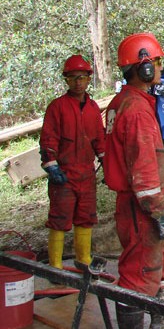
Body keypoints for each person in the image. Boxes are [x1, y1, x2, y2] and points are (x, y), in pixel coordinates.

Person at [103, 33, 164, 329]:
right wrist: (160, 212)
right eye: (157, 62)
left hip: (141, 206)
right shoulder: (136, 112)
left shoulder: (123, 102)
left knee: (162, 267)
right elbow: (145, 172)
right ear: (145, 68)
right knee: (139, 274)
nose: (160, 68)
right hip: (142, 209)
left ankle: (161, 322)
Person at [39, 55, 105, 272]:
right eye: (74, 78)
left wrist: (106, 160)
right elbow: (48, 139)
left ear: (88, 80)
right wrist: (52, 166)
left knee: (85, 217)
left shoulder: (93, 108)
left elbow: (99, 139)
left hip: (86, 173)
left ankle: (83, 260)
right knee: (59, 219)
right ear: (66, 80)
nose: (78, 82)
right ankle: (55, 267)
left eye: (83, 77)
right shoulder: (57, 107)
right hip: (64, 175)